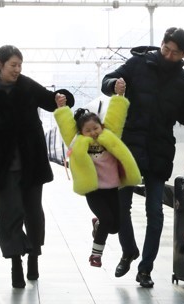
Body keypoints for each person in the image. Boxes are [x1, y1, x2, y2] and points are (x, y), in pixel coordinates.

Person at [101, 27, 184, 288]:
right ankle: (129, 250)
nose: (168, 55)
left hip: (159, 150)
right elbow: (107, 81)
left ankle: (145, 269)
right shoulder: (137, 64)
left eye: (175, 53)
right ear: (162, 44)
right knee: (122, 206)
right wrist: (114, 85)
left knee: (155, 212)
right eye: (166, 49)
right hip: (129, 147)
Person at [0, 45, 75, 288]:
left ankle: (34, 256)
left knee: (33, 213)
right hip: (4, 163)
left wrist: (60, 98)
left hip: (32, 161)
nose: (17, 70)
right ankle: (16, 262)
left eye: (20, 65)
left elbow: (50, 101)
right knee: (9, 215)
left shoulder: (27, 85)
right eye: (12, 65)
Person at [54, 94, 141, 268]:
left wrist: (120, 96)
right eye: (88, 130)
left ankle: (98, 223)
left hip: (112, 189)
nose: (93, 133)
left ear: (102, 126)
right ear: (81, 133)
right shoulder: (77, 142)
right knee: (108, 220)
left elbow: (115, 117)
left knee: (115, 226)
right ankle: (95, 255)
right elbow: (66, 128)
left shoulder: (110, 137)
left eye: (96, 128)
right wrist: (62, 108)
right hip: (93, 191)